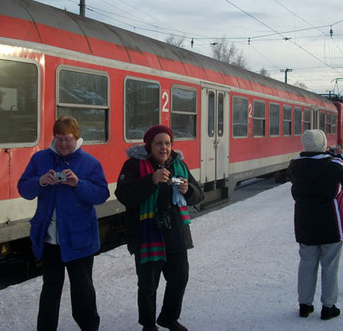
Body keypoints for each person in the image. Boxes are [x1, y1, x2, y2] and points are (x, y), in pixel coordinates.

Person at [18, 115, 110, 331]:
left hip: (79, 239)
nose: (63, 144)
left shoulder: (89, 163)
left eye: (67, 138)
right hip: (49, 239)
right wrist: (40, 181)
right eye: (59, 138)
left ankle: (89, 327)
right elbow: (23, 188)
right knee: (50, 290)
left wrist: (78, 184)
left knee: (83, 291)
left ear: (76, 138)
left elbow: (101, 194)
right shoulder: (40, 159)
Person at [115, 125, 204, 331]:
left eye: (167, 143)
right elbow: (125, 196)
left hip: (175, 232)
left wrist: (188, 189)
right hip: (146, 234)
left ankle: (168, 318)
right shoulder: (133, 166)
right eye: (158, 143)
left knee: (180, 278)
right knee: (148, 285)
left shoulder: (179, 165)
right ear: (149, 146)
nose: (163, 147)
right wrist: (151, 180)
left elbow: (199, 194)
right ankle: (148, 324)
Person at [286, 129, 343, 321]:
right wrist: (342, 154)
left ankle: (304, 305)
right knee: (330, 266)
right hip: (331, 224)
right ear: (323, 145)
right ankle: (328, 307)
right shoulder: (335, 165)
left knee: (306, 264)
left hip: (305, 223)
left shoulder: (295, 166)